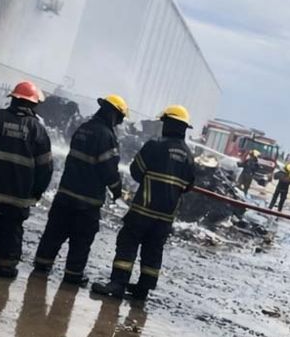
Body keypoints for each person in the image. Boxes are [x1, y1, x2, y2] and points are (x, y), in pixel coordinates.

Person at [90, 104, 196, 303]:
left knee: (127, 243)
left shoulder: (155, 145)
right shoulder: (189, 156)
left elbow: (136, 171)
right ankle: (143, 290)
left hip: (143, 210)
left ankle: (118, 283)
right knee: (153, 250)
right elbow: (189, 185)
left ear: (168, 124)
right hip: (166, 217)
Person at [33, 94, 128, 286]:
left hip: (65, 194)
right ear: (114, 115)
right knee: (81, 240)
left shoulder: (84, 128)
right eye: (119, 118)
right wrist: (117, 191)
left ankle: (41, 265)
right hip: (87, 201)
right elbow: (109, 169)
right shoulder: (106, 136)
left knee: (53, 233)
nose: (118, 123)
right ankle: (73, 275)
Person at [0, 80, 53, 278]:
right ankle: (6, 268)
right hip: (17, 198)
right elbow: (45, 167)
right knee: (11, 232)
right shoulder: (37, 130)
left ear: (13, 99)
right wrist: (36, 192)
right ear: (33, 103)